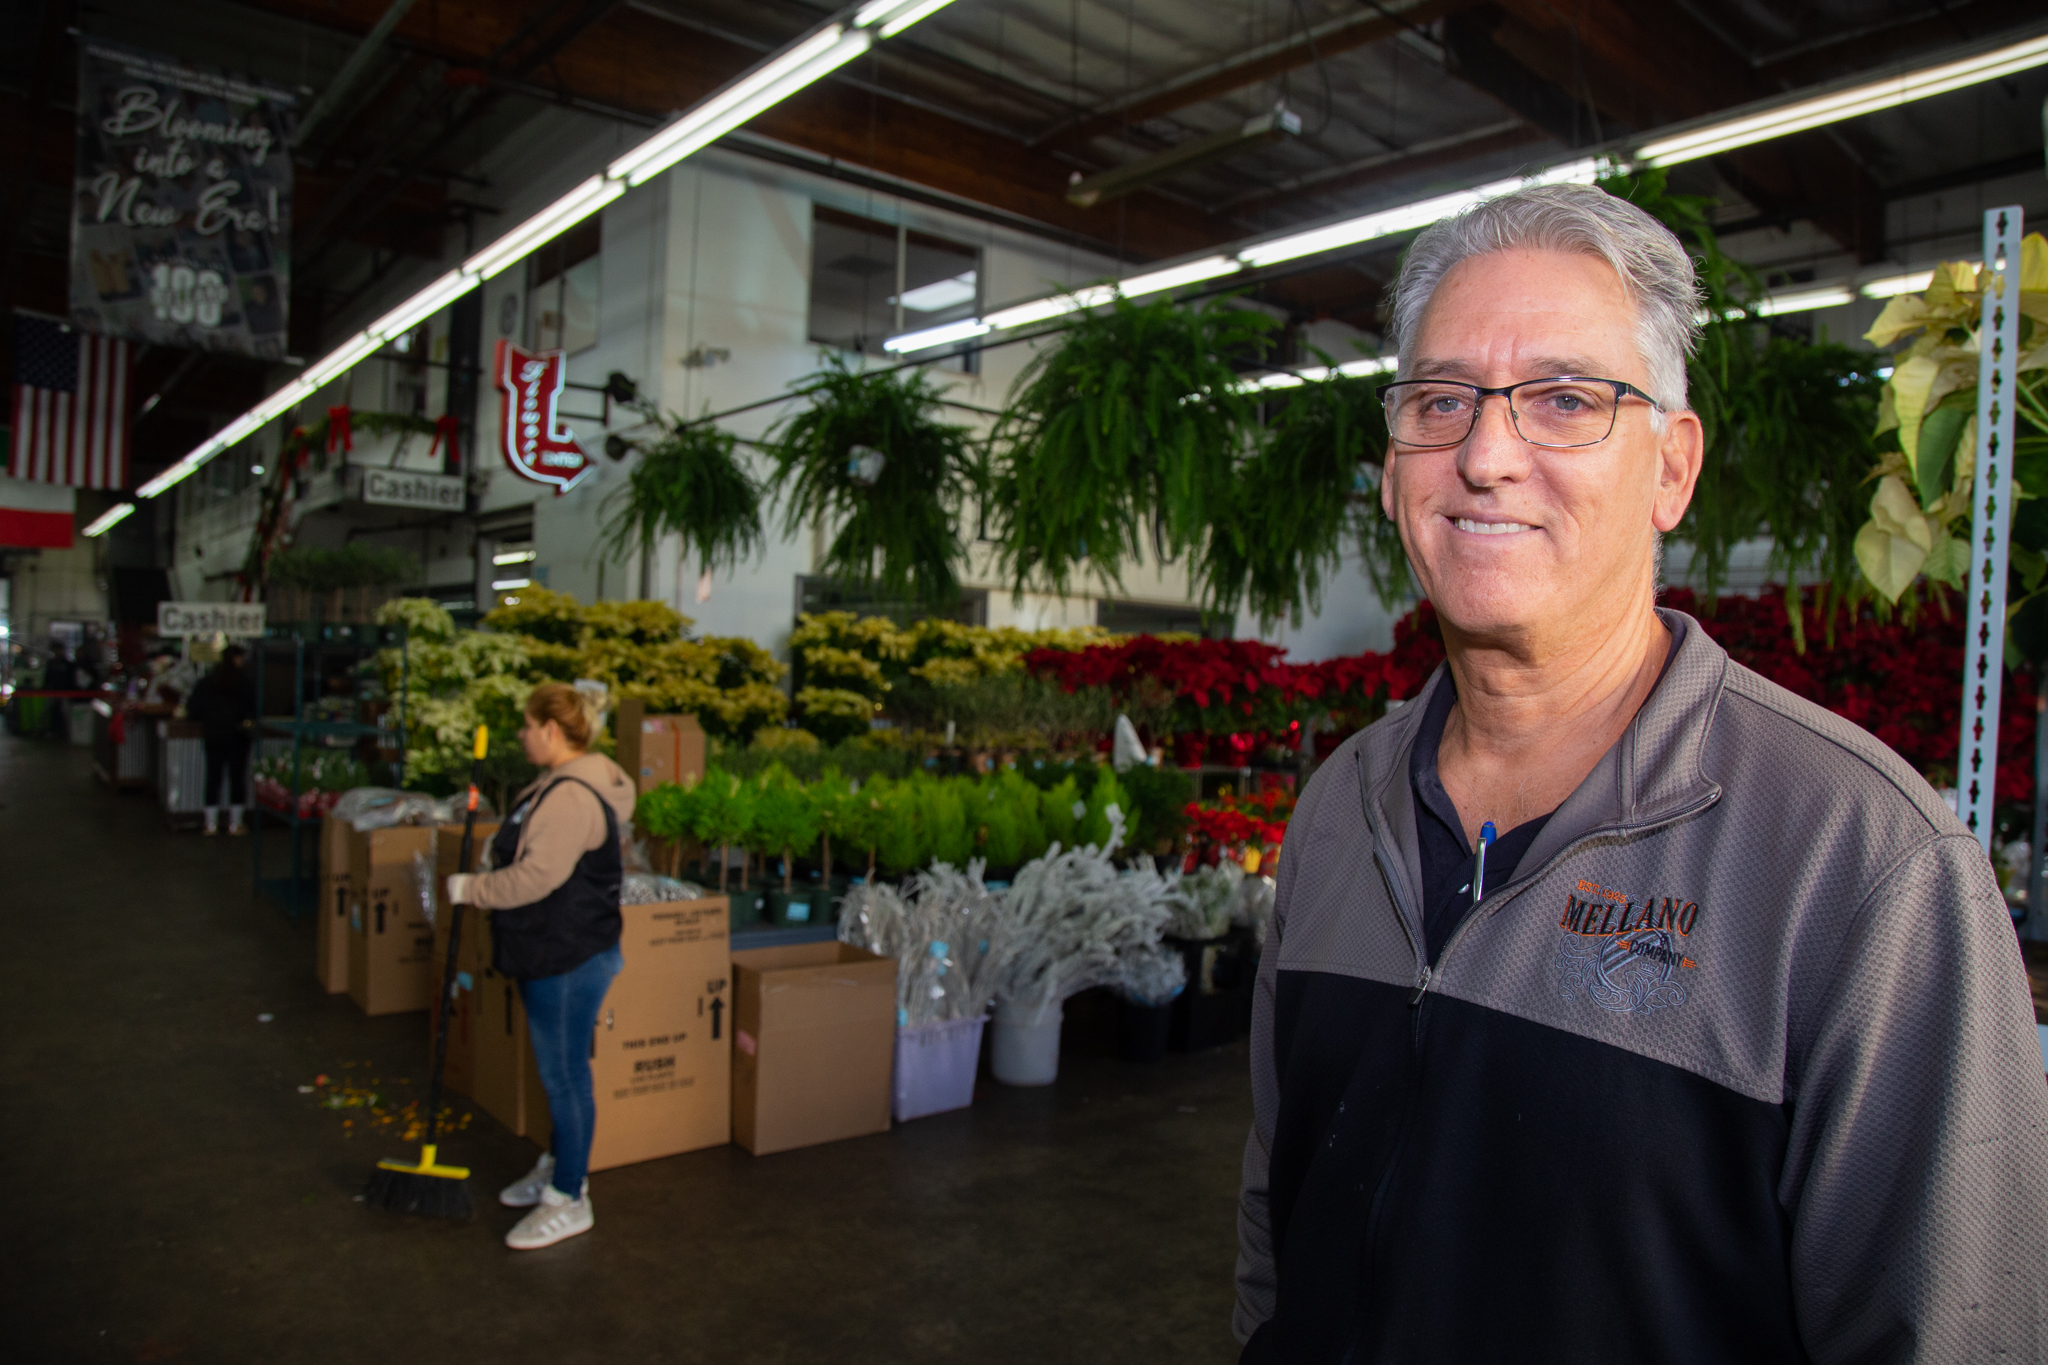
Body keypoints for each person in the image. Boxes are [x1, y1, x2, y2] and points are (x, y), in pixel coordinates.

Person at [1233, 184, 2048, 1363]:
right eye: (1440, 399)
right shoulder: (1336, 810)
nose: (1484, 455)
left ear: (1671, 468)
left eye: (1564, 400)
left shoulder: (1860, 864)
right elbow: (1278, 1214)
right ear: (1394, 459)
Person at [444, 682, 635, 1251]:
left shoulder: (572, 795)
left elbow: (537, 877)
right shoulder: (556, 783)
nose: (522, 735)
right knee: (561, 1071)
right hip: (552, 946)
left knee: (565, 1075)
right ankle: (558, 1165)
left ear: (552, 730)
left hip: (566, 956)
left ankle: (569, 1197)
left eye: (528, 726)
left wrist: (472, 890)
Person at [183, 644, 258, 835]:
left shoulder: (207, 682)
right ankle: (235, 823)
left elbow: (194, 710)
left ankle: (210, 824)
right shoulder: (245, 683)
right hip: (237, 737)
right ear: (237, 659)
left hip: (213, 735)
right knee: (237, 779)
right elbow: (254, 709)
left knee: (213, 778)